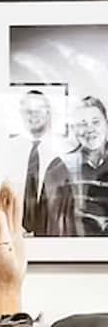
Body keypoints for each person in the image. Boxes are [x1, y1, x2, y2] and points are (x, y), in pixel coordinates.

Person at [18, 89, 74, 237]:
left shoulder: (64, 151)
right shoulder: (10, 150)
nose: (33, 115)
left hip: (50, 235)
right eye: (28, 110)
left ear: (48, 113)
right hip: (14, 236)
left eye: (38, 110)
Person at [54, 94, 108, 237]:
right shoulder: (63, 167)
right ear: (74, 130)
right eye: (82, 124)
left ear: (106, 124)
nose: (90, 129)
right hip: (78, 250)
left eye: (96, 122)